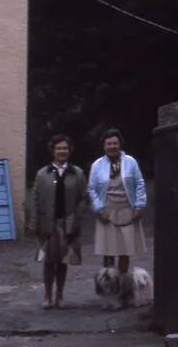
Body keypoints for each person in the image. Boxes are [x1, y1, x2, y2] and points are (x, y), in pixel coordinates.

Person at [29, 134, 88, 309]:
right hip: (48, 224)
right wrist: (33, 222)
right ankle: (47, 296)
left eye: (65, 148)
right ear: (52, 151)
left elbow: (84, 198)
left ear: (69, 151)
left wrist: (76, 217)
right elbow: (35, 199)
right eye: (58, 148)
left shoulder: (78, 173)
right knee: (48, 261)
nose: (62, 151)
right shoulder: (42, 174)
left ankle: (60, 296)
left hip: (67, 224)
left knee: (63, 261)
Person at [88, 128, 147, 275]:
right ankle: (109, 283)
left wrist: (139, 206)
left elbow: (139, 183)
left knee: (124, 250)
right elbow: (92, 188)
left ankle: (122, 282)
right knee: (108, 251)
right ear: (104, 146)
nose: (112, 146)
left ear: (119, 144)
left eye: (115, 143)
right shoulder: (97, 165)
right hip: (107, 211)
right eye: (109, 144)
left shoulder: (131, 162)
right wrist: (99, 209)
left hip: (127, 210)